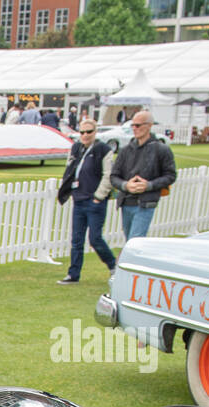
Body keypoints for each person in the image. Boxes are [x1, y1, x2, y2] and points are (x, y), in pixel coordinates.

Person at [56, 120, 116, 285]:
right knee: (76, 239)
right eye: (82, 132)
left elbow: (108, 175)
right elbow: (70, 169)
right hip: (79, 199)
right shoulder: (76, 148)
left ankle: (112, 265)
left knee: (95, 238)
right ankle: (73, 274)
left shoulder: (103, 150)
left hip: (94, 201)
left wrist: (99, 196)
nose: (85, 135)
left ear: (95, 132)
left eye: (88, 132)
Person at [110, 110, 176, 242]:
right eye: (133, 125)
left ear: (149, 125)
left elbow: (170, 175)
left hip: (145, 203)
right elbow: (114, 176)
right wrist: (126, 185)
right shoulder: (125, 150)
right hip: (126, 202)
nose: (135, 128)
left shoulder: (161, 149)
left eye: (138, 125)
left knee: (135, 241)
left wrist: (149, 185)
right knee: (130, 240)